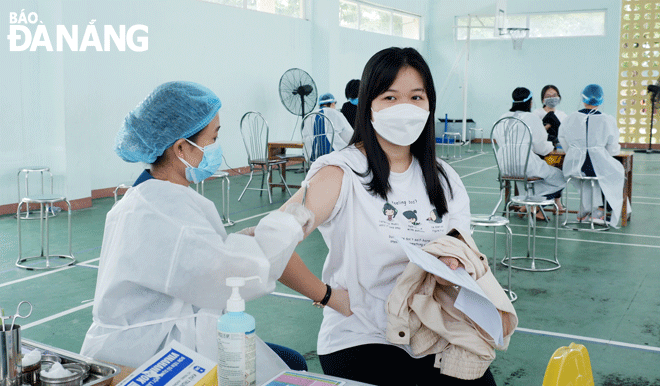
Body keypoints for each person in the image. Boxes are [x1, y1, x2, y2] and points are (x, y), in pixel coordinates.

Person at [276, 47, 497, 385]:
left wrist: (454, 266)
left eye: (416, 97)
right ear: (369, 106)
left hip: (432, 329)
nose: (404, 108)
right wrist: (327, 296)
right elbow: (272, 241)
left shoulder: (445, 180)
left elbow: (458, 251)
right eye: (390, 97)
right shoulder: (341, 172)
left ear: (429, 105)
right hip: (361, 337)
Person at [79, 81, 317, 379]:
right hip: (150, 354)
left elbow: (189, 258)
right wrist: (289, 223)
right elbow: (237, 274)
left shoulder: (148, 196)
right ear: (180, 147)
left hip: (151, 338)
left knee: (289, 361)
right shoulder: (164, 208)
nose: (216, 147)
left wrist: (231, 243)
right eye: (213, 137)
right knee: (288, 366)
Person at [558, 84, 625, 226]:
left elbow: (562, 138)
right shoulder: (607, 120)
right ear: (601, 100)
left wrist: (573, 151)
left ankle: (586, 210)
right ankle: (599, 210)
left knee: (586, 180)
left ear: (583, 99)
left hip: (574, 164)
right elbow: (613, 149)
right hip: (597, 164)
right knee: (617, 174)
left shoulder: (570, 118)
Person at [496, 87, 566, 219]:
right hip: (527, 165)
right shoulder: (532, 118)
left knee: (534, 178)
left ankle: (529, 205)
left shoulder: (502, 118)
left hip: (504, 166)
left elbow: (501, 143)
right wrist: (551, 145)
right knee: (560, 177)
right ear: (531, 102)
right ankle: (534, 205)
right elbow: (542, 148)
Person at [302, 93, 354, 159]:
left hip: (313, 157)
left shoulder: (310, 116)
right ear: (333, 104)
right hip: (333, 156)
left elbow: (305, 136)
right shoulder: (335, 113)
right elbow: (349, 135)